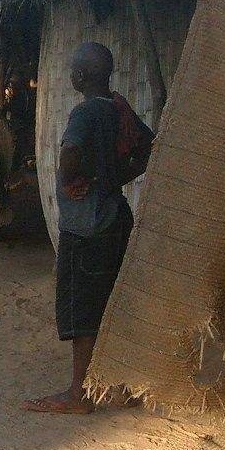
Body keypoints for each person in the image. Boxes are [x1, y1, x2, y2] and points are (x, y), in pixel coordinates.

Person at [24, 42, 153, 414]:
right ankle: (121, 387)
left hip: (87, 226)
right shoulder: (118, 109)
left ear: (79, 77)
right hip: (116, 217)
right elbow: (147, 147)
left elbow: (70, 153)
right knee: (111, 302)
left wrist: (74, 180)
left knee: (82, 311)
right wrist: (114, 178)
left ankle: (78, 395)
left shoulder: (84, 113)